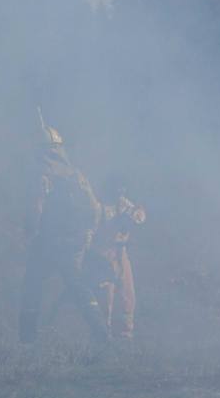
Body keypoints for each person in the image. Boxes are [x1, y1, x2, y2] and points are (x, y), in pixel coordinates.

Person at [19, 118, 107, 344]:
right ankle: (102, 335)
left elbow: (36, 208)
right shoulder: (76, 175)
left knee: (32, 286)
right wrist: (88, 234)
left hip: (48, 242)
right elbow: (95, 209)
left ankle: (27, 340)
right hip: (73, 242)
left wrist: (30, 232)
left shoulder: (41, 175)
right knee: (79, 287)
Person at [85, 176, 146, 339]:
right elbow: (91, 229)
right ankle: (104, 336)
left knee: (127, 293)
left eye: (122, 191)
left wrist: (137, 214)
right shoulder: (99, 206)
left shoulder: (123, 203)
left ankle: (125, 334)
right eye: (118, 190)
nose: (120, 194)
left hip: (121, 253)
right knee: (106, 297)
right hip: (103, 255)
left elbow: (137, 215)